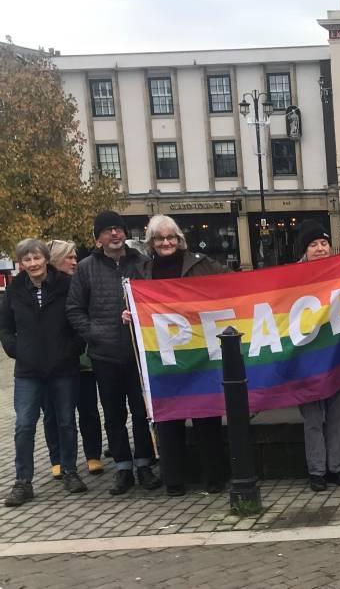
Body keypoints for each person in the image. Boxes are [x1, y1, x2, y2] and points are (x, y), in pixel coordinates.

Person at [129, 215, 228, 496]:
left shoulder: (201, 264)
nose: (166, 242)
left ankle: (214, 477)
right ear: (151, 242)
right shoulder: (142, 270)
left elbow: (229, 285)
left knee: (205, 415)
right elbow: (130, 300)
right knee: (167, 418)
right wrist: (129, 313)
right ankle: (174, 479)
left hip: (199, 353)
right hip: (162, 355)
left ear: (179, 239)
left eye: (170, 237)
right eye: (159, 238)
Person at [67, 210, 162, 494]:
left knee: (142, 410)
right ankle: (123, 467)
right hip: (105, 353)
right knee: (113, 413)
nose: (114, 234)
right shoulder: (85, 268)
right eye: (107, 230)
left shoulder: (143, 264)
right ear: (98, 239)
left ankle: (144, 463)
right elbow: (74, 309)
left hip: (137, 351)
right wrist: (95, 333)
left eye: (118, 229)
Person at [2, 239, 88, 506]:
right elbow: (5, 327)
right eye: (26, 260)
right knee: (24, 425)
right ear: (20, 263)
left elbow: (78, 318)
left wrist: (71, 349)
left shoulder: (65, 285)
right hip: (28, 370)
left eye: (36, 258)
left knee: (65, 422)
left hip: (63, 367)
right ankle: (22, 481)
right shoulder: (15, 289)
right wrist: (17, 349)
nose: (32, 264)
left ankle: (70, 471)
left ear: (46, 259)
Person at [293, 220, 340, 491]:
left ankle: (336, 467)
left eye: (323, 243)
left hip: (336, 356)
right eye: (313, 244)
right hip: (307, 359)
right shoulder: (290, 279)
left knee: (337, 416)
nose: (320, 248)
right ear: (304, 250)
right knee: (313, 419)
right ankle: (317, 470)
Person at [43, 240, 105, 477]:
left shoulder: (81, 283)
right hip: (52, 363)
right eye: (68, 257)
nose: (74, 261)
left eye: (74, 257)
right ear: (55, 260)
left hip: (83, 359)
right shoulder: (44, 288)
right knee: (54, 413)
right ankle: (57, 458)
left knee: (88, 409)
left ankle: (93, 455)